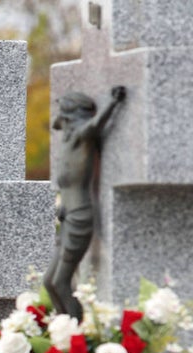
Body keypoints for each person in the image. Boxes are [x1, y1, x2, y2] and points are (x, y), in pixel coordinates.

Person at [44, 85, 126, 319]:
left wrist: (113, 103)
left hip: (80, 214)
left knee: (61, 282)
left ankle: (75, 335)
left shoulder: (81, 135)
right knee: (49, 282)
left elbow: (95, 126)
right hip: (67, 215)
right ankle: (62, 333)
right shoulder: (69, 143)